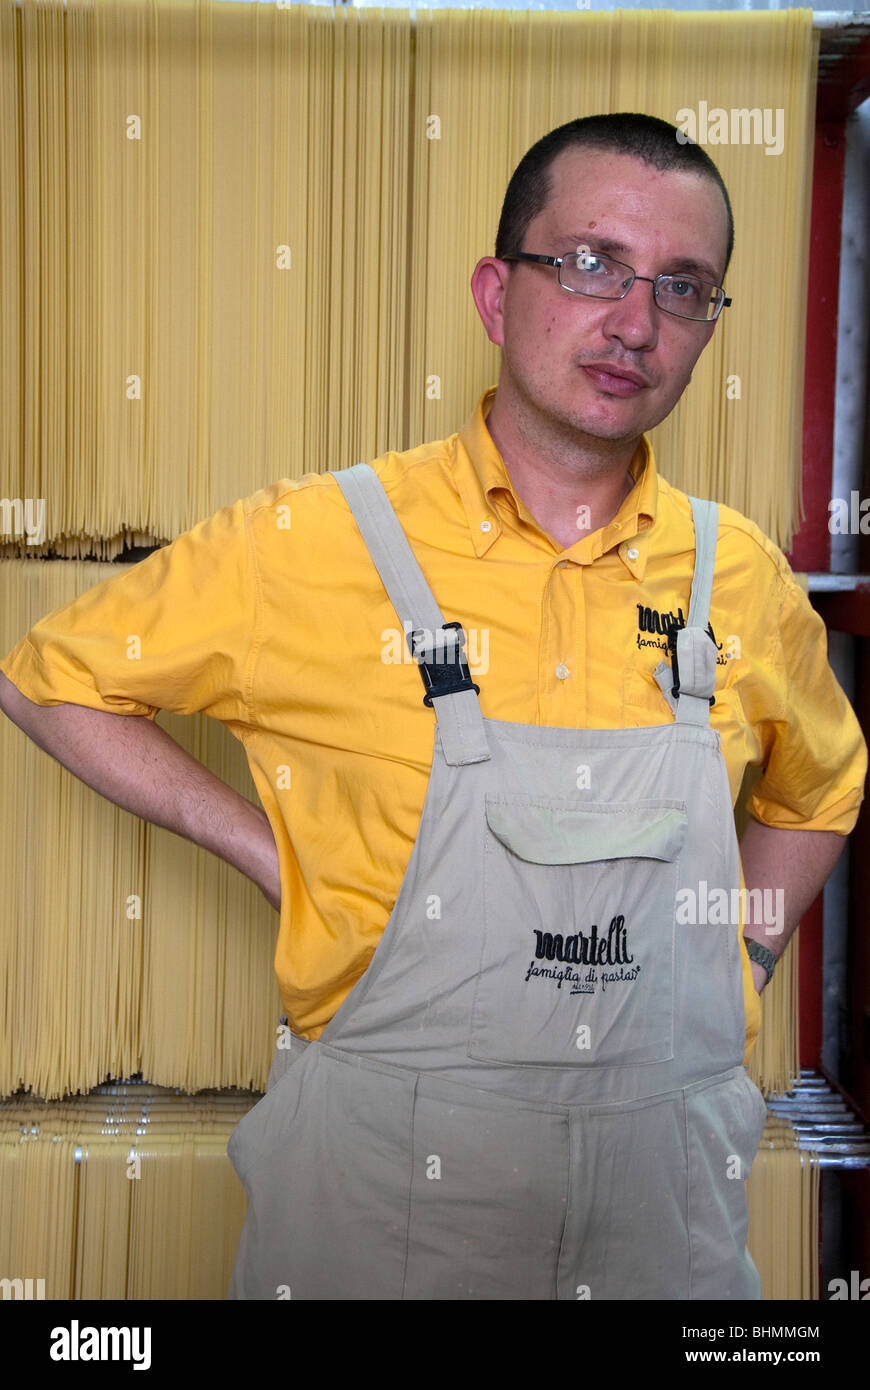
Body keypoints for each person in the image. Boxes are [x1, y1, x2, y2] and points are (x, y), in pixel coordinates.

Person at [0, 113, 865, 1301]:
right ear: (495, 294)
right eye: (591, 265)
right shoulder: (314, 543)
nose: (634, 321)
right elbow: (49, 676)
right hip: (378, 1209)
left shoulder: (743, 576)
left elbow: (822, 789)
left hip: (663, 1220)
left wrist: (745, 950)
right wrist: (275, 857)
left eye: (684, 288)